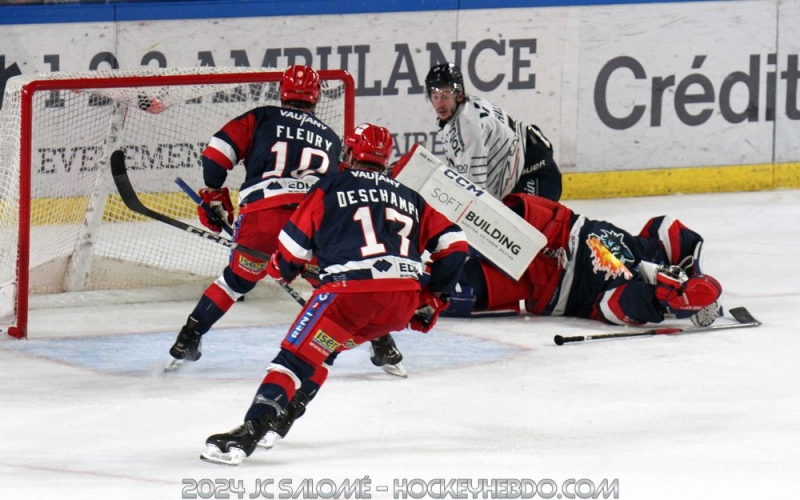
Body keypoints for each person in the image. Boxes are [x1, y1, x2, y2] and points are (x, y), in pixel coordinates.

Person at [199, 123, 469, 466]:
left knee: (294, 359)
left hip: (348, 296)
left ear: (352, 154)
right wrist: (433, 297)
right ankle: (284, 419)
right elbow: (456, 246)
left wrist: (283, 268)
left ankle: (247, 435)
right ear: (385, 160)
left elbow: (291, 248)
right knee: (325, 349)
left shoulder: (331, 185)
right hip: (400, 303)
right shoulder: (410, 196)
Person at [168, 64, 342, 364]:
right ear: (316, 97)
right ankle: (382, 346)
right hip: (308, 226)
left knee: (235, 282)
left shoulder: (262, 116)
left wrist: (213, 192)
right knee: (337, 283)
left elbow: (216, 154)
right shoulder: (331, 137)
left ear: (282, 92)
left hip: (261, 220)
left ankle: (189, 336)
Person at [443, 193, 723, 327]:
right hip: (558, 228)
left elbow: (612, 305)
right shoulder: (656, 252)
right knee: (475, 209)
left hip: (540, 284)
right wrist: (689, 274)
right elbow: (668, 226)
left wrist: (665, 295)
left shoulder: (645, 304)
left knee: (450, 288)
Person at [425, 62, 562, 202]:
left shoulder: (469, 128)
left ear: (459, 95)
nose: (439, 103)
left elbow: (474, 192)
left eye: (445, 95)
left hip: (533, 179)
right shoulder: (465, 109)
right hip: (527, 169)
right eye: (435, 96)